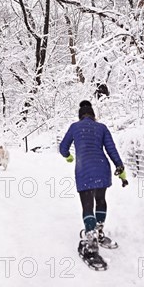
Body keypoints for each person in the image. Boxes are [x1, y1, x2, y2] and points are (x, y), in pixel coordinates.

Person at [59, 100, 127, 265]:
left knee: (87, 205)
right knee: (101, 200)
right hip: (102, 168)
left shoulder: (75, 127)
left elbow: (63, 148)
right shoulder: (101, 127)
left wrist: (69, 157)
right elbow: (111, 149)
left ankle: (91, 242)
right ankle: (99, 231)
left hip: (84, 170)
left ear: (80, 115)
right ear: (93, 115)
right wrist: (120, 167)